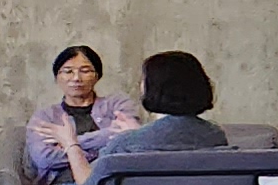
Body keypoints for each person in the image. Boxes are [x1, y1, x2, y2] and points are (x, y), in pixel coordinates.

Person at [24, 45, 139, 185]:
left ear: (97, 76)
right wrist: (104, 146)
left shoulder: (117, 104)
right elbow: (44, 159)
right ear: (57, 77)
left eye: (85, 71)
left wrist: (68, 143)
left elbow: (131, 141)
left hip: (110, 183)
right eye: (68, 71)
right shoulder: (44, 117)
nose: (76, 78)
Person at [94, 51, 227, 156]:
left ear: (153, 88)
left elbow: (94, 180)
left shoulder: (125, 145)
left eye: (143, 80)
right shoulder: (215, 136)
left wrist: (134, 135)